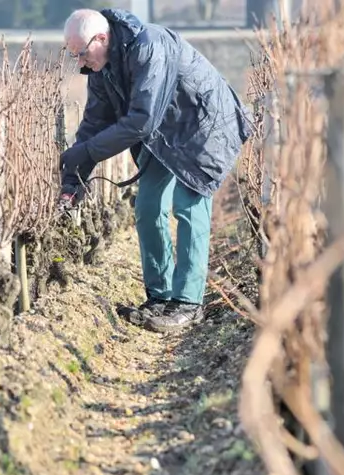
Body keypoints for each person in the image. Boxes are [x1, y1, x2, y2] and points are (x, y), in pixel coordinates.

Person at [59, 8, 253, 333]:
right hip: (162, 135)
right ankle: (160, 297)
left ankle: (189, 303)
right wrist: (74, 177)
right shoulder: (102, 66)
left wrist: (87, 152)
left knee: (188, 205)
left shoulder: (150, 46)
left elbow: (142, 120)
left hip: (202, 125)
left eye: (80, 53)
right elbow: (93, 124)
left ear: (101, 38)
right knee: (147, 206)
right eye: (73, 55)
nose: (79, 62)